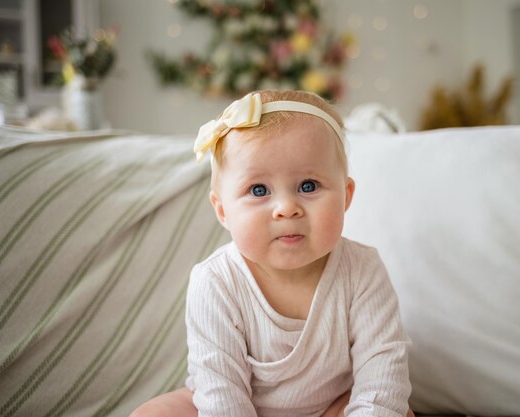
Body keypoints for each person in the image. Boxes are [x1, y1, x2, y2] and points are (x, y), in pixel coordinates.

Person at [130, 90, 414, 417]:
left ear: (346, 196)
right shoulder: (215, 282)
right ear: (222, 210)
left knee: (395, 412)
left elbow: (382, 372)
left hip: (330, 407)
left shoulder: (362, 271)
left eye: (308, 186)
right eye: (259, 190)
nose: (286, 209)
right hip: (232, 406)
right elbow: (220, 394)